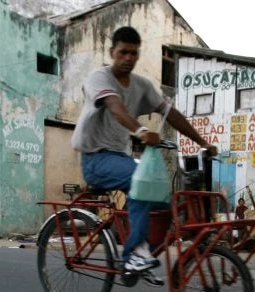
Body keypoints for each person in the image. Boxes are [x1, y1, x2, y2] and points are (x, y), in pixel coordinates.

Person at [72, 26, 216, 278]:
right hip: (95, 158)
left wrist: (202, 142)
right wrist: (140, 130)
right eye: (123, 52)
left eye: (133, 54)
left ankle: (146, 251)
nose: (128, 58)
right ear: (112, 52)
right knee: (140, 180)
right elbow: (115, 106)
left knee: (161, 194)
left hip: (121, 157)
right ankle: (132, 256)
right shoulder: (99, 78)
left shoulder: (142, 85)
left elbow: (170, 113)